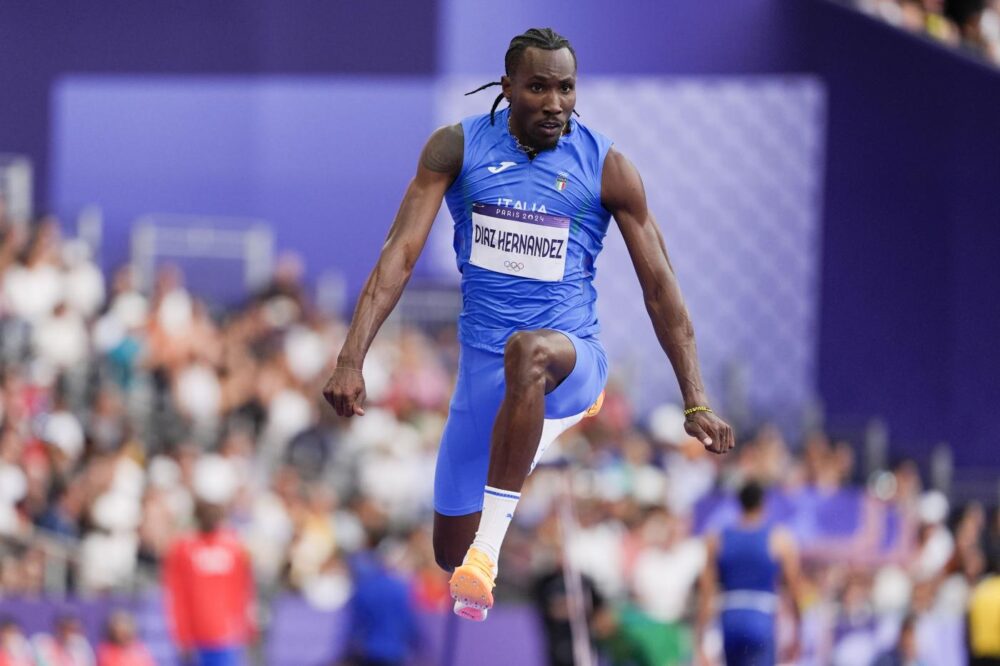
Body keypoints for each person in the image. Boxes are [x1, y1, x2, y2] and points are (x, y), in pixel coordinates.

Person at [323, 27, 734, 622]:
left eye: (566, 88)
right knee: (447, 552)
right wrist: (350, 358)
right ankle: (474, 548)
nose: (555, 103)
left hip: (569, 360)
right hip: (483, 372)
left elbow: (660, 290)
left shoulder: (608, 166)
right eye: (538, 87)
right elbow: (400, 255)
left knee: (529, 352)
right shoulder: (455, 149)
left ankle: (488, 554)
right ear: (508, 86)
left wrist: (696, 400)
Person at [695, 481, 802, 666]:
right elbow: (794, 587)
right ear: (763, 503)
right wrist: (798, 629)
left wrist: (700, 636)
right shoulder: (779, 539)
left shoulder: (718, 539)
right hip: (761, 618)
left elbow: (706, 590)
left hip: (730, 617)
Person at [163, 455, 256, 665]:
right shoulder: (182, 548)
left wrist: (246, 627)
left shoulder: (233, 546)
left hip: (227, 638)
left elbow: (243, 590)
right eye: (207, 507)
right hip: (195, 640)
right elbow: (176, 595)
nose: (211, 514)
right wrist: (181, 636)